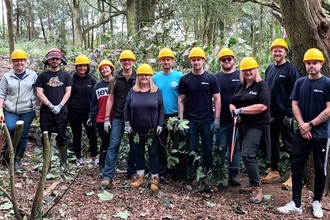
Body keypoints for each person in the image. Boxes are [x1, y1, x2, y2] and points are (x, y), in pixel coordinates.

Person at [277, 48, 330, 218]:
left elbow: (329, 109)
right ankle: (296, 203)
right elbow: (294, 105)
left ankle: (317, 202)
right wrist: (302, 126)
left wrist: (311, 125)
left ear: (321, 64)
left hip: (321, 134)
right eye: (308, 63)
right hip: (301, 133)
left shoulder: (327, 83)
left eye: (314, 63)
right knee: (297, 166)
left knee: (320, 168)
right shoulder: (300, 82)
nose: (311, 66)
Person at [229, 57, 271, 204]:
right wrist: (234, 112)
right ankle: (253, 182)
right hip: (242, 126)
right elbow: (232, 103)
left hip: (257, 125)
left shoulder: (261, 85)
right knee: (245, 155)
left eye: (250, 69)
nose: (248, 72)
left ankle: (257, 188)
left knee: (248, 153)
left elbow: (262, 107)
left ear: (255, 70)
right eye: (245, 70)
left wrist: (240, 110)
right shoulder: (241, 86)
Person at [178, 47, 221, 188]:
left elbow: (217, 99)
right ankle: (194, 175)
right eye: (194, 60)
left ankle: (207, 175)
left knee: (208, 150)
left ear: (203, 60)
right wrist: (181, 120)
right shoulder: (185, 79)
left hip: (207, 120)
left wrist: (217, 119)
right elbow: (181, 100)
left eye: (199, 59)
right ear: (190, 61)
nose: (196, 62)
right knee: (193, 150)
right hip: (191, 121)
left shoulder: (211, 78)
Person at [262, 39, 300, 189]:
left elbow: (295, 93)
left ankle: (294, 175)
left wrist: (290, 114)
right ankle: (274, 171)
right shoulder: (269, 69)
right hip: (271, 113)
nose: (277, 53)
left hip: (285, 113)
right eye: (275, 50)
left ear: (285, 52)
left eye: (280, 50)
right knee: (273, 143)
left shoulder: (291, 69)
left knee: (290, 144)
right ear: (272, 52)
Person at [124, 63, 164, 191]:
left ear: (150, 76)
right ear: (138, 77)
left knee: (153, 153)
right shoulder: (133, 91)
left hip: (152, 130)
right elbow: (126, 108)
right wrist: (127, 123)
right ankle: (140, 177)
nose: (144, 77)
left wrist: (160, 124)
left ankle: (154, 179)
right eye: (141, 75)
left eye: (146, 75)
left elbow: (162, 109)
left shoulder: (156, 91)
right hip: (136, 130)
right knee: (138, 153)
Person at [100, 50, 137, 187]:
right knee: (113, 145)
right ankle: (107, 175)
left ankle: (132, 172)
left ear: (133, 61)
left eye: (129, 60)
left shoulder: (138, 77)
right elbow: (110, 99)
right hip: (118, 118)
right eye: (124, 60)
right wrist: (107, 118)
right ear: (121, 62)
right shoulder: (115, 80)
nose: (127, 62)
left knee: (134, 146)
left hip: (135, 119)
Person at [35, 48, 73, 172]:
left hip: (61, 111)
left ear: (60, 60)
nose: (55, 61)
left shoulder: (66, 75)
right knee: (46, 137)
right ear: (48, 61)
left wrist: (60, 105)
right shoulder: (42, 75)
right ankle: (47, 164)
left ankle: (64, 165)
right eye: (52, 59)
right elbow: (39, 92)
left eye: (57, 59)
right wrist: (50, 105)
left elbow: (68, 92)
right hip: (46, 111)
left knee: (61, 136)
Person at [0, 49, 38, 170]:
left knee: (23, 135)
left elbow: (38, 92)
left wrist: (37, 108)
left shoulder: (33, 75)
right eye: (16, 61)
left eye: (21, 60)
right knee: (10, 128)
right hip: (10, 110)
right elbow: (2, 93)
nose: (19, 63)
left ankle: (17, 160)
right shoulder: (7, 77)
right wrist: (0, 109)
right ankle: (6, 147)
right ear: (13, 62)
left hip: (27, 110)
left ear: (25, 61)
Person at [153, 47, 186, 183]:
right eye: (163, 60)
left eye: (168, 59)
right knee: (161, 145)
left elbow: (183, 98)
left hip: (175, 116)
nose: (166, 62)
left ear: (172, 60)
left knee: (178, 145)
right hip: (160, 116)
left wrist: (181, 118)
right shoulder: (155, 78)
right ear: (160, 61)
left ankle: (180, 175)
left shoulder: (179, 77)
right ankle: (162, 173)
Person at [215, 48, 241, 186]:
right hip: (222, 118)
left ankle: (233, 174)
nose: (226, 61)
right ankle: (218, 173)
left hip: (237, 119)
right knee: (221, 146)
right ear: (220, 61)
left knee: (235, 147)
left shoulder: (240, 75)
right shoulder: (216, 77)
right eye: (223, 59)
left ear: (233, 60)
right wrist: (215, 118)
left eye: (229, 59)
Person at [68, 54, 98, 167]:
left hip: (89, 112)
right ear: (76, 67)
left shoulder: (92, 80)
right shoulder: (71, 80)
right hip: (74, 112)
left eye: (84, 66)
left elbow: (96, 97)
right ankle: (78, 158)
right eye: (80, 66)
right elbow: (68, 95)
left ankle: (94, 156)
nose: (82, 68)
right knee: (77, 135)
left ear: (87, 67)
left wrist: (95, 112)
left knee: (92, 135)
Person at [88, 60, 115, 175]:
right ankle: (102, 166)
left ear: (111, 69)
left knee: (114, 144)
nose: (104, 70)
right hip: (101, 118)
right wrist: (91, 116)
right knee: (105, 142)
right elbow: (94, 103)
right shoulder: (98, 85)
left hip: (116, 118)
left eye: (106, 68)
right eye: (102, 69)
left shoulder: (117, 82)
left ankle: (112, 165)